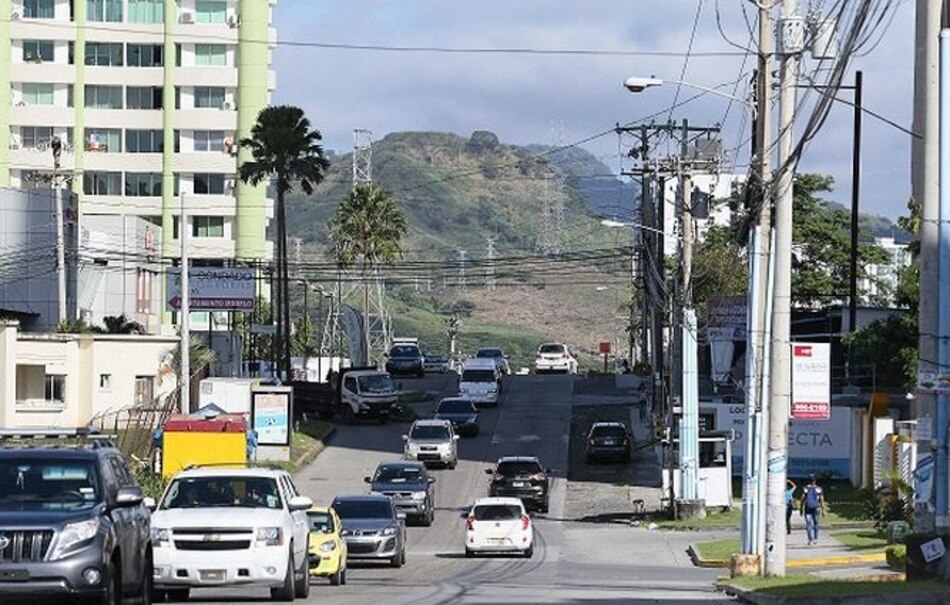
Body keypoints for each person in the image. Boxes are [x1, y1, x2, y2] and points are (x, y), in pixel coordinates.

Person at [800, 475, 826, 545]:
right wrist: (823, 510)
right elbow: (821, 500)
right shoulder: (819, 489)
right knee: (816, 524)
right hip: (816, 508)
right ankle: (815, 539)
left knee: (809, 524)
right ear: (815, 481)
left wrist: (801, 509)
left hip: (808, 508)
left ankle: (810, 540)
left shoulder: (805, 488)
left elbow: (802, 499)